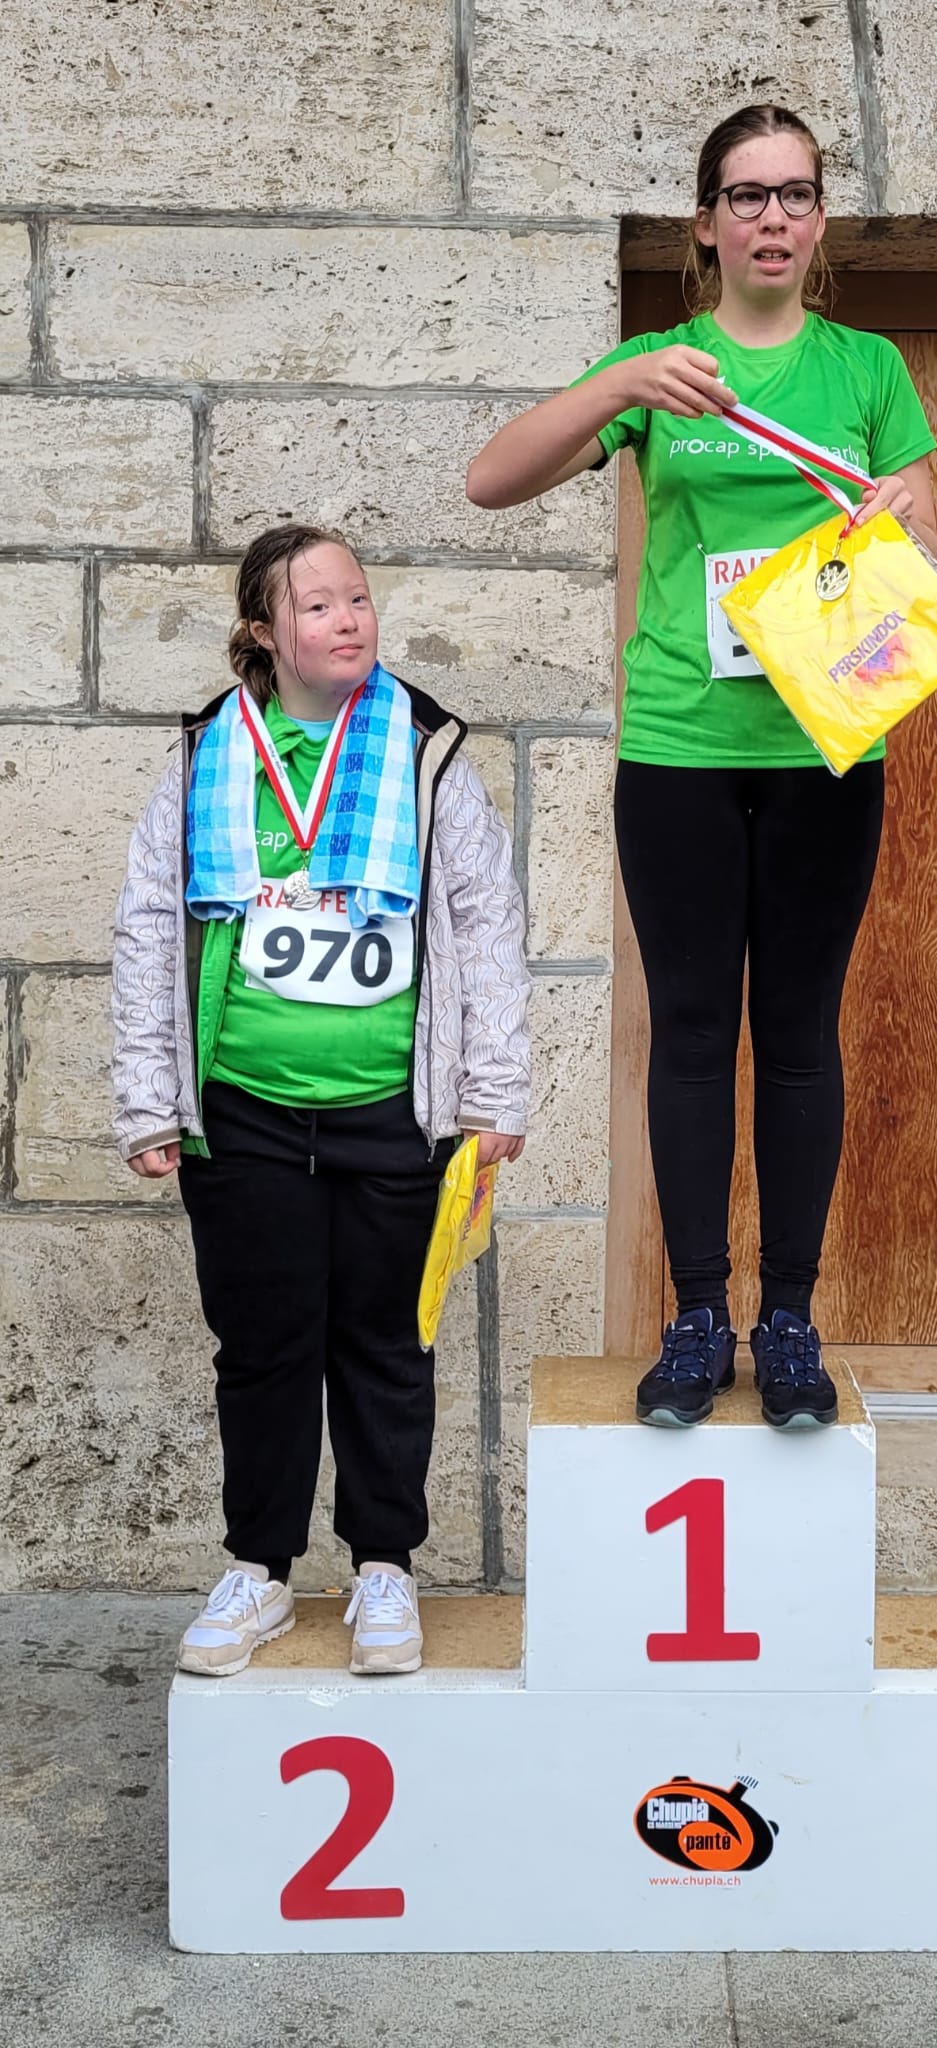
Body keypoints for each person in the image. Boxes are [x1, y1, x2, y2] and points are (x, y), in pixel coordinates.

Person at [466, 103, 937, 1431]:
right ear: (707, 222)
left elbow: (926, 555)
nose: (771, 217)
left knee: (796, 1032)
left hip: (826, 739)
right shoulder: (661, 364)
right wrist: (618, 389)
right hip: (679, 742)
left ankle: (788, 1321)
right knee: (687, 1030)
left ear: (821, 220)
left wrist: (902, 519)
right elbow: (490, 481)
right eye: (746, 195)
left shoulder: (867, 369)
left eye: (794, 194)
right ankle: (693, 1319)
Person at [112, 523, 529, 1675]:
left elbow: (487, 922)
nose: (349, 619)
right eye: (318, 605)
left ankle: (384, 1565)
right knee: (263, 1343)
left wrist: (495, 1089)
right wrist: (149, 1096)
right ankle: (258, 1568)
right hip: (242, 1107)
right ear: (263, 631)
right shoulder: (208, 752)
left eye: (359, 598)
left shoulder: (426, 750)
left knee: (387, 1341)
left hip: (393, 1110)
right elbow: (149, 925)